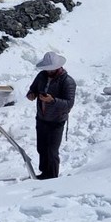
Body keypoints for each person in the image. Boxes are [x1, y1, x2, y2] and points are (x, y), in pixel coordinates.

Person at [26, 51, 76, 180]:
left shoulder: (67, 81)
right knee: (41, 148)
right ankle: (44, 173)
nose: (48, 71)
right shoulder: (41, 76)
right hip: (41, 118)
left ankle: (52, 177)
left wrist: (52, 100)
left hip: (56, 121)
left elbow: (69, 104)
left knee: (52, 151)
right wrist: (32, 94)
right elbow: (33, 89)